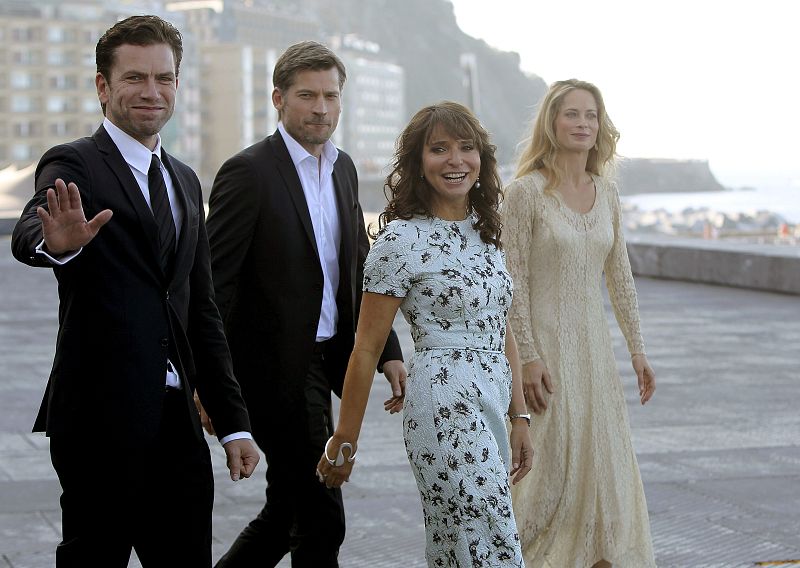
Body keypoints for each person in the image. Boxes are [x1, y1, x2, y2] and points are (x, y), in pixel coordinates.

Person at [10, 15, 259, 568]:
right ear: (103, 86)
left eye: (164, 78)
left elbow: (203, 314)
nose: (151, 91)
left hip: (178, 426)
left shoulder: (186, 181)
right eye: (134, 78)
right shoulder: (76, 163)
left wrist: (233, 421)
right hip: (99, 422)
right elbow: (33, 227)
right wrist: (56, 242)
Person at [201, 41, 406, 567]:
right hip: (270, 372)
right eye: (307, 95)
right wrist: (210, 383)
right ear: (278, 98)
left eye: (331, 96)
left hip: (323, 362)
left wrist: (387, 350)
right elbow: (213, 287)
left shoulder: (343, 169)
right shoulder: (248, 172)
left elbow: (359, 265)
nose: (321, 108)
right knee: (320, 512)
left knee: (288, 510)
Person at [316, 101, 533, 567]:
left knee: (458, 547)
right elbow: (367, 347)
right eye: (439, 149)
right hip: (443, 401)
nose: (455, 160)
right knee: (492, 543)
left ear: (482, 159)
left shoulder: (487, 230)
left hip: (494, 396)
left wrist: (521, 417)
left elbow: (501, 326)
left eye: (466, 148)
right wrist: (345, 438)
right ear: (418, 162)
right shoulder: (400, 240)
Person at [502, 79, 657, 567]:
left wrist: (637, 350)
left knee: (605, 484)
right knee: (547, 484)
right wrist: (527, 357)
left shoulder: (607, 193)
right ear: (552, 122)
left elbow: (621, 278)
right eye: (572, 114)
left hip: (595, 359)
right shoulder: (524, 193)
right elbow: (512, 282)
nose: (583, 124)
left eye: (591, 115)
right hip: (545, 356)